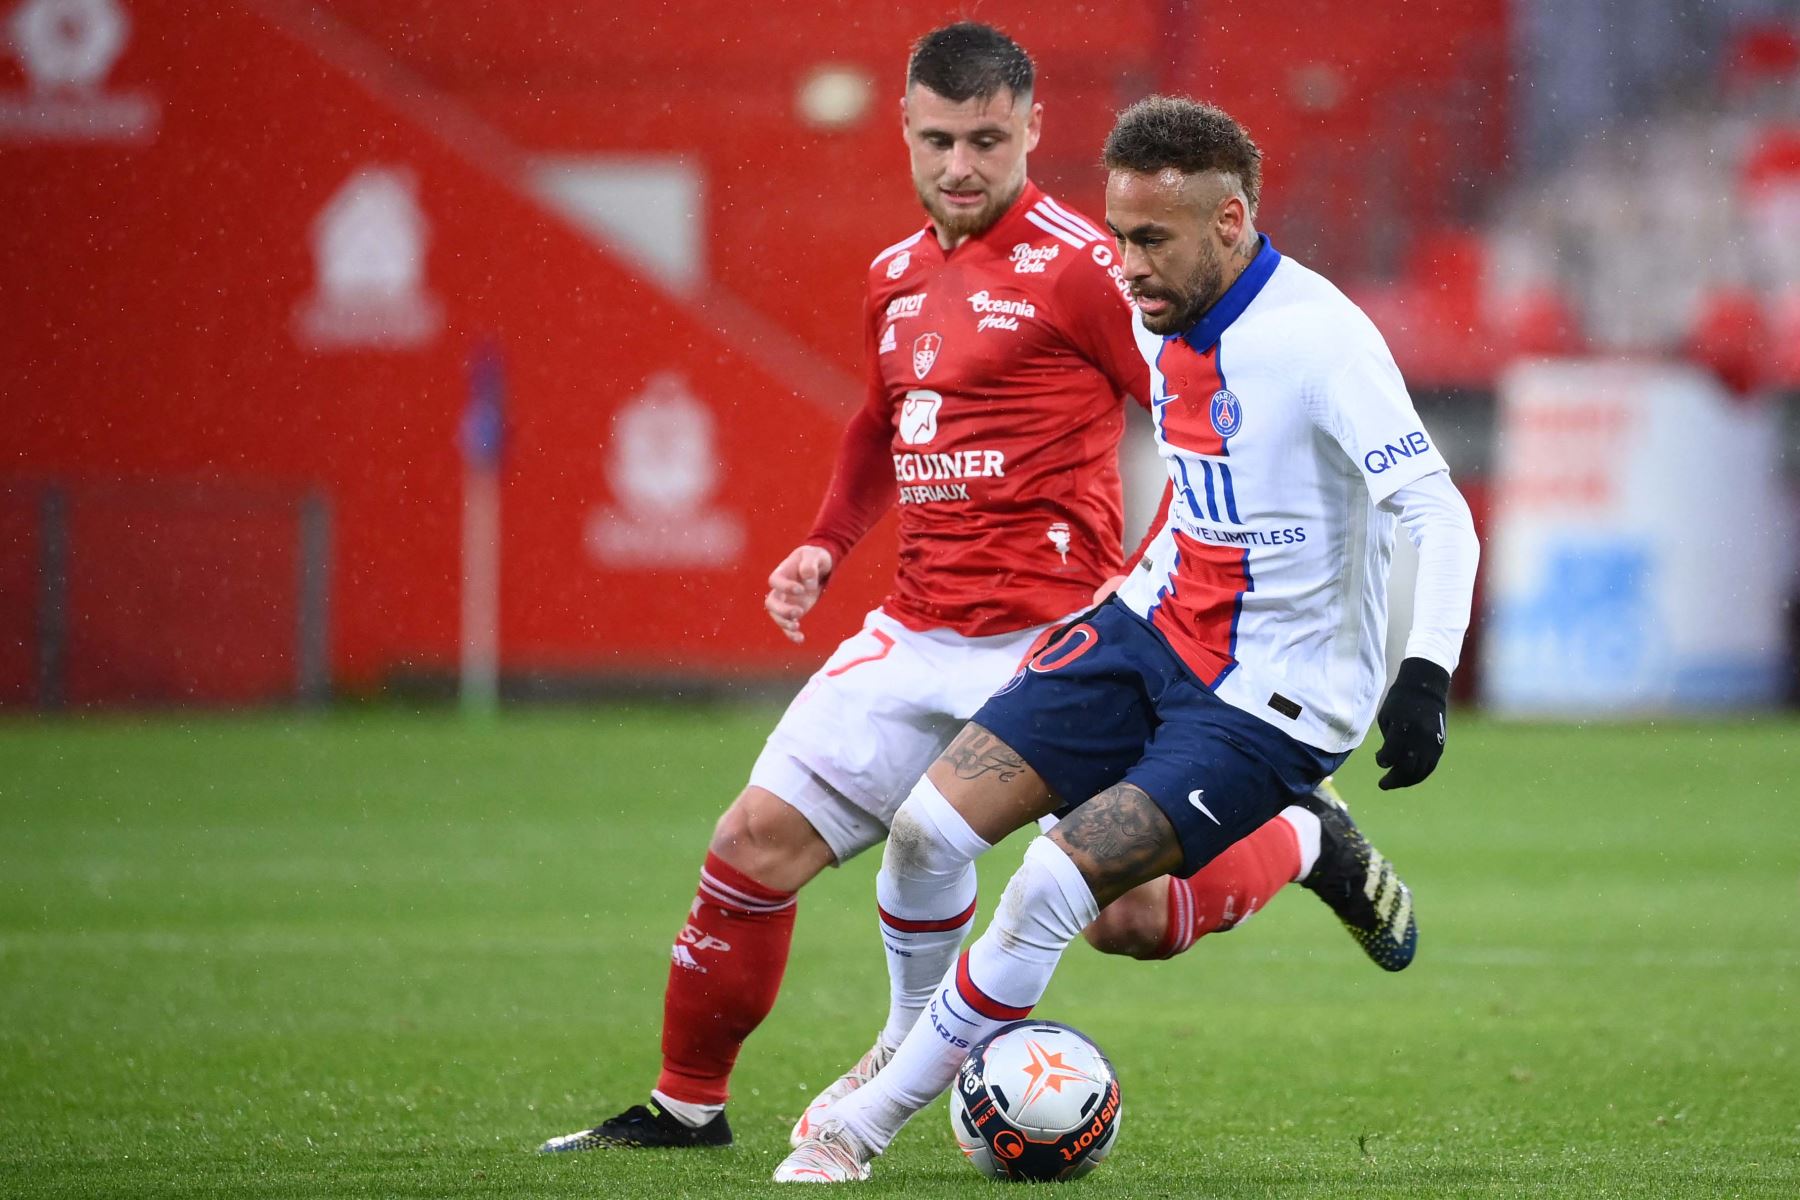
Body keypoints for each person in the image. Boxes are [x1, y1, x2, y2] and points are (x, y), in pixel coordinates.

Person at [540, 31, 1417, 1156]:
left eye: (987, 141)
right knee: (752, 842)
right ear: (905, 130)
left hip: (1059, 633)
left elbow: (1192, 417)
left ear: (1031, 133)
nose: (961, 165)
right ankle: (686, 1105)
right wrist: (822, 542)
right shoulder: (893, 276)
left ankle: (1300, 835)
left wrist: (1178, 587)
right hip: (914, 628)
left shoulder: (1089, 266)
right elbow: (878, 421)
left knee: (1131, 921)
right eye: (939, 140)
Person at [773, 93, 1480, 1183]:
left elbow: (1437, 512)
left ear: (1232, 223)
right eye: (1118, 236)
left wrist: (1424, 670)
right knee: (928, 833)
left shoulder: (1318, 339)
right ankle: (903, 1048)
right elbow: (1202, 481)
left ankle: (851, 1138)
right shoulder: (1158, 314)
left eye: (1152, 240)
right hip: (1148, 626)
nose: (1128, 264)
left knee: (1057, 892)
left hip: (1272, 696)